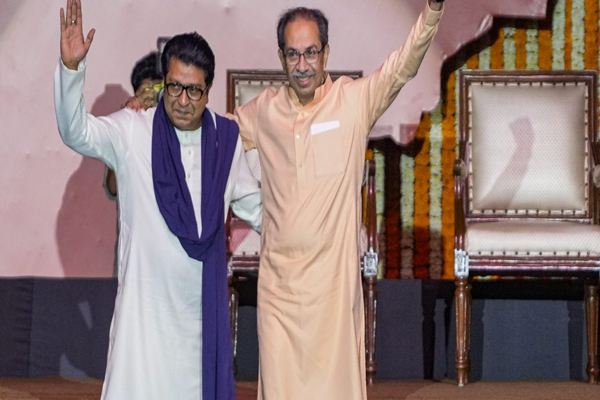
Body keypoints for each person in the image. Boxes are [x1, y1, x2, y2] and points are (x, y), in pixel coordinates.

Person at [232, 0, 444, 399]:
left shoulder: (352, 101)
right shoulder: (264, 111)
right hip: (279, 288)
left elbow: (401, 67)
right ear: (281, 57)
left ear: (326, 53)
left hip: (333, 286)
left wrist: (431, 12)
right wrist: (150, 110)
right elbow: (208, 133)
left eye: (311, 52)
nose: (302, 65)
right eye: (293, 54)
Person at [54, 1, 261, 399]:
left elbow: (261, 211)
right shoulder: (133, 130)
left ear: (208, 90)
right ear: (163, 82)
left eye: (194, 90)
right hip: (143, 321)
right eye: (175, 86)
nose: (183, 100)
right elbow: (75, 131)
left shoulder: (226, 142)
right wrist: (70, 69)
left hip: (199, 323)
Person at [103, 52, 163, 276]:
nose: (150, 101)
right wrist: (126, 125)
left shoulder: (180, 127)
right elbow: (113, 186)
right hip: (135, 255)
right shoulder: (128, 126)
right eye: (146, 92)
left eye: (157, 92)